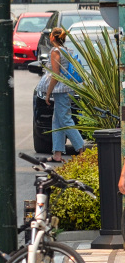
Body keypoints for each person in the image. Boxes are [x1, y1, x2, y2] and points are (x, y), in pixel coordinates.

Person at [44, 27, 86, 163]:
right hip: (68, 88)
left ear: (52, 37)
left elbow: (55, 75)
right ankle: (57, 153)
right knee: (57, 120)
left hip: (61, 90)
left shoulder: (55, 51)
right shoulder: (67, 50)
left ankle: (81, 148)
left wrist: (48, 92)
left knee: (65, 119)